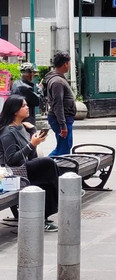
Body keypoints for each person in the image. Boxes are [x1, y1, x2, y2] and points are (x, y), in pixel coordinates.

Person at [0, 95, 58, 232]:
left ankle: (42, 216)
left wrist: (33, 134)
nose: (27, 108)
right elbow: (12, 160)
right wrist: (32, 144)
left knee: (48, 168)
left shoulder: (22, 127)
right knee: (48, 164)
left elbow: (31, 157)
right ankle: (61, 192)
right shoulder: (7, 132)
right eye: (24, 106)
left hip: (23, 169)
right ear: (15, 110)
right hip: (11, 173)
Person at [44, 51, 76, 156]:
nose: (69, 66)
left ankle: (50, 167)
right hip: (62, 119)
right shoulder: (57, 81)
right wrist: (63, 126)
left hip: (64, 118)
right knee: (63, 149)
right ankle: (45, 166)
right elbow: (58, 104)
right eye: (69, 63)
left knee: (64, 147)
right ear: (65, 64)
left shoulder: (58, 78)